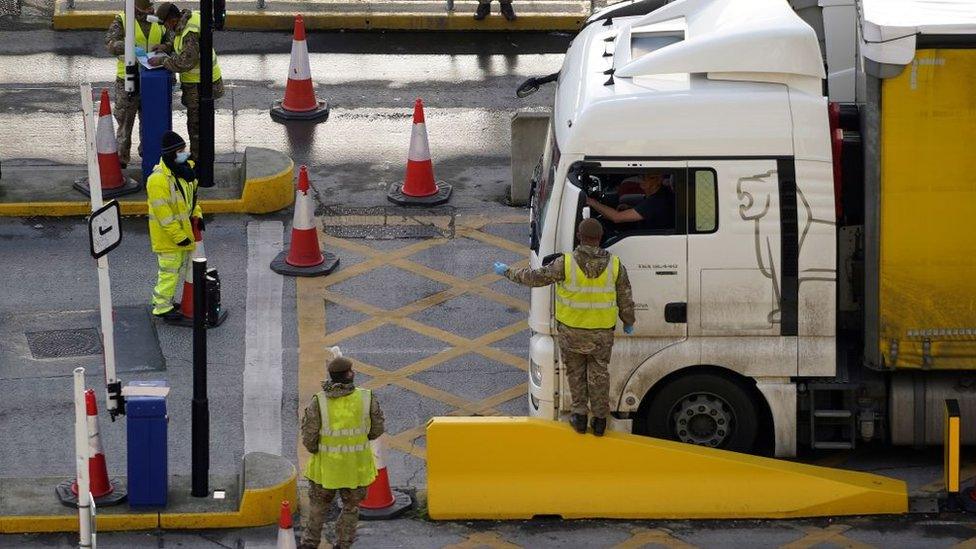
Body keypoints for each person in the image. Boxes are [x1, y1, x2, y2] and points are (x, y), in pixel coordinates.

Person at [493, 218, 635, 436]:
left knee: (576, 373)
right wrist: (628, 321)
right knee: (599, 375)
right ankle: (599, 421)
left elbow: (534, 278)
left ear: (579, 236)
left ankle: (579, 417)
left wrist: (507, 272)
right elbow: (625, 297)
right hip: (602, 334)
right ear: (600, 239)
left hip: (572, 332)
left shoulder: (565, 263)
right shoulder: (615, 265)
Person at [300, 352, 385, 549]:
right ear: (348, 376)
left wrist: (317, 449)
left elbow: (309, 438)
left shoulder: (319, 401)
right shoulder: (366, 398)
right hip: (355, 469)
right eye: (351, 371)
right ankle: (343, 544)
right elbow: (377, 429)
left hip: (325, 469)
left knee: (318, 508)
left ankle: (310, 543)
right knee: (351, 509)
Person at [148, 1, 224, 161]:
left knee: (196, 125)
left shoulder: (189, 32)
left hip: (200, 84)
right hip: (200, 80)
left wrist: (162, 61)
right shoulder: (188, 20)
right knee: (199, 123)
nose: (166, 28)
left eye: (166, 25)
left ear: (172, 20)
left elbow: (185, 62)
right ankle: (200, 158)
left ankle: (198, 163)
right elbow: (179, 44)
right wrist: (166, 47)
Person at [104, 0, 167, 168]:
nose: (149, 10)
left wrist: (164, 48)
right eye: (146, 7)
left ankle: (148, 155)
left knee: (149, 120)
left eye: (150, 7)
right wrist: (128, 46)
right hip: (127, 78)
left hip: (152, 78)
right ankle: (121, 160)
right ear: (136, 7)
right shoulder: (123, 20)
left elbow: (171, 42)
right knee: (125, 121)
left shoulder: (157, 20)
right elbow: (110, 44)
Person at [146, 131, 202, 320]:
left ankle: (165, 301)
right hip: (169, 237)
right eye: (180, 151)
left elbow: (192, 201)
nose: (184, 153)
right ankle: (162, 307)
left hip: (182, 232)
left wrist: (198, 216)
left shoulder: (187, 172)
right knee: (169, 272)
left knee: (176, 270)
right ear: (171, 154)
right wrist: (180, 237)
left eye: (184, 149)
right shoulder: (158, 180)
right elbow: (165, 217)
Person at [586, 173, 676, 231]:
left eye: (646, 178)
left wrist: (592, 202)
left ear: (658, 180)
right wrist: (630, 209)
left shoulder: (657, 201)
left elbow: (616, 217)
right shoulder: (659, 195)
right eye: (641, 176)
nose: (641, 180)